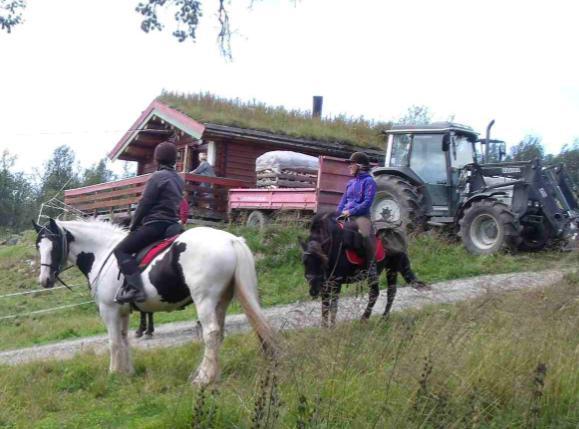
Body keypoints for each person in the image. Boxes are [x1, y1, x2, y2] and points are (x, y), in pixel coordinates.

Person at [113, 141, 184, 304]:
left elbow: (144, 204)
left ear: (157, 159)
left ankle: (136, 289)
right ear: (174, 160)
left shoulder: (157, 177)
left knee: (121, 250)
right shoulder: (179, 179)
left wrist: (133, 226)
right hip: (173, 226)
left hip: (156, 225)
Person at [337, 151, 377, 271]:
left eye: (352, 164)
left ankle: (371, 268)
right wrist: (336, 214)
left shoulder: (369, 181)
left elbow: (367, 203)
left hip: (361, 217)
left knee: (365, 236)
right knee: (331, 230)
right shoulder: (350, 183)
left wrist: (351, 211)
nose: (349, 166)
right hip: (346, 215)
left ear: (360, 166)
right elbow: (343, 201)